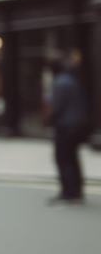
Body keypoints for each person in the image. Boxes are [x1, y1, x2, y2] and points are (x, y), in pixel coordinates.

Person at [49, 56, 90, 205]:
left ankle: (68, 192)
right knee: (72, 158)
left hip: (66, 126)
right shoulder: (72, 80)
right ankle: (77, 191)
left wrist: (50, 120)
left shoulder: (60, 82)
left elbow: (57, 106)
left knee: (63, 158)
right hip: (77, 125)